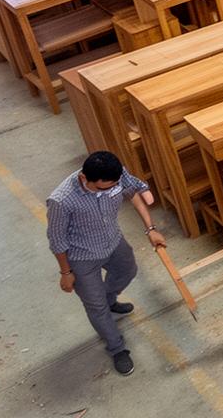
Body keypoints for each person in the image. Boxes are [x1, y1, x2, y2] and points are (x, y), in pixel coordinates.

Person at [47, 151, 165, 376]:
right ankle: (117, 348)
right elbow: (57, 239)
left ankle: (109, 299)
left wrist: (151, 228)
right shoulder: (61, 201)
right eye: (104, 188)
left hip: (112, 241)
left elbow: (134, 194)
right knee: (95, 306)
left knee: (128, 270)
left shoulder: (116, 176)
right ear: (84, 178)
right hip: (82, 258)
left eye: (114, 186)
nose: (111, 190)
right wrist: (66, 272)